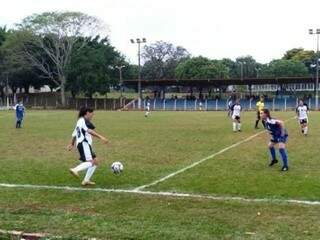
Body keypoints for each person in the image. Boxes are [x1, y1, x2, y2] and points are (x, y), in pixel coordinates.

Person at [67, 107, 109, 186]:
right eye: (92, 113)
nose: (93, 115)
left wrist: (72, 144)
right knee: (90, 162)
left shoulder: (80, 121)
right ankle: (75, 169)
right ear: (87, 113)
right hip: (84, 144)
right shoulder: (83, 121)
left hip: (83, 144)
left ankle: (86, 180)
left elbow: (75, 134)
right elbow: (89, 131)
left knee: (95, 161)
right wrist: (101, 137)